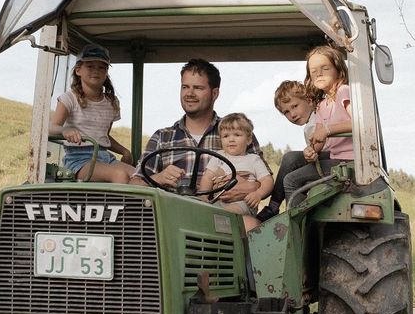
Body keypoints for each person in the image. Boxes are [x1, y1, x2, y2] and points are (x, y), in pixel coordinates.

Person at [130, 59, 265, 205]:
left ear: (215, 93)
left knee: (251, 223)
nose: (189, 93)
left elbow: (265, 182)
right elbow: (133, 186)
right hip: (172, 216)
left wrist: (252, 187)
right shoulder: (163, 137)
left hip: (222, 216)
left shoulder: (238, 132)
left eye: (198, 88)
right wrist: (159, 178)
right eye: (185, 87)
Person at [256, 47, 354, 222]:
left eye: (325, 68)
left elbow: (360, 123)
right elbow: (318, 141)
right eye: (314, 71)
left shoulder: (343, 91)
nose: (319, 74)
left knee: (291, 179)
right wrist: (312, 151)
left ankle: (296, 229)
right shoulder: (322, 105)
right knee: (290, 161)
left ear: (339, 70)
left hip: (350, 162)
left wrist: (328, 130)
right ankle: (287, 216)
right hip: (333, 158)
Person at [48, 44, 134, 183]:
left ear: (106, 73)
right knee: (119, 175)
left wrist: (125, 152)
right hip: (79, 159)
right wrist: (65, 130)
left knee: (139, 176)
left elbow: (103, 136)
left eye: (101, 67)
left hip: (104, 156)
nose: (96, 71)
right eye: (90, 66)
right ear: (78, 70)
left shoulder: (111, 102)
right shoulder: (69, 98)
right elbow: (51, 128)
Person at [256, 80, 320, 222]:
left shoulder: (320, 116)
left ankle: (277, 209)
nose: (292, 114)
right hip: (320, 159)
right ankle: (275, 206)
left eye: (295, 106)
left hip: (333, 159)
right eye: (286, 112)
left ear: (309, 100)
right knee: (290, 160)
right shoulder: (310, 123)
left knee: (291, 160)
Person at [199, 113, 273, 232]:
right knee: (206, 213)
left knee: (224, 214)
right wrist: (203, 197)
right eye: (226, 136)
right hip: (218, 201)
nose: (231, 139)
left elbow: (267, 180)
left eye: (237, 135)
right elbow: (207, 177)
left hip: (244, 202)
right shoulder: (218, 157)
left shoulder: (253, 159)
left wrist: (258, 194)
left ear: (248, 139)